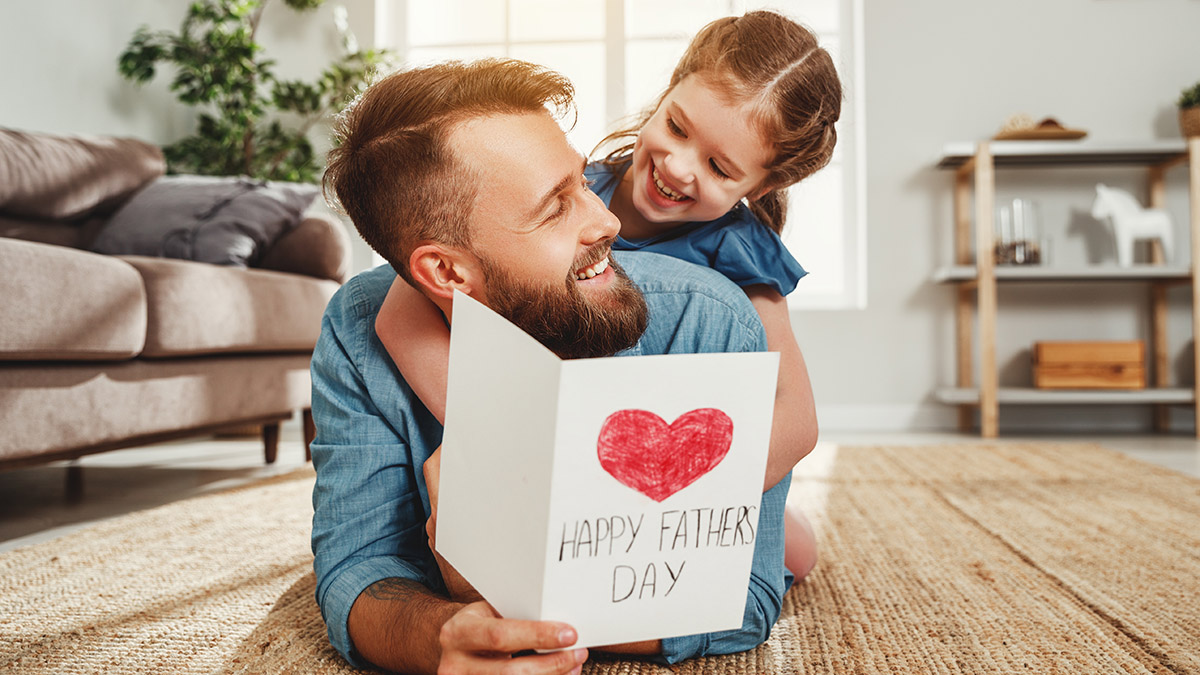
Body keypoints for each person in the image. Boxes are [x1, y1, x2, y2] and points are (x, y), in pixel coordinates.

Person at [312, 58, 793, 674]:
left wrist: (512, 594)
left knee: (792, 548)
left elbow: (745, 600)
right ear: (447, 273)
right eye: (554, 208)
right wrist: (446, 636)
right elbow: (357, 568)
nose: (610, 220)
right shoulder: (358, 329)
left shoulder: (708, 318)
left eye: (582, 184)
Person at [375, 10, 841, 577]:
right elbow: (398, 317)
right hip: (544, 430)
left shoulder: (741, 256)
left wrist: (660, 500)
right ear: (668, 90)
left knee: (797, 553)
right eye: (676, 126)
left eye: (720, 167)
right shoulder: (563, 185)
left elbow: (796, 420)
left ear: (762, 186)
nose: (678, 166)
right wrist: (504, 436)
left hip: (659, 458)